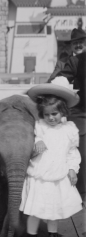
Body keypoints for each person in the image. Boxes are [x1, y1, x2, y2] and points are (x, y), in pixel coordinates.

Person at [19, 79, 83, 237]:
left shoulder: (69, 130)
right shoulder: (39, 127)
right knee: (36, 210)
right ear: (42, 114)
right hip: (40, 176)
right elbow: (30, 140)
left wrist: (72, 169)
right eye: (47, 115)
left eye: (54, 114)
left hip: (58, 177)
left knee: (53, 211)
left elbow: (72, 153)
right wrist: (37, 141)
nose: (51, 118)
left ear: (63, 111)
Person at [57, 52, 86, 193]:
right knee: (82, 149)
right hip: (82, 112)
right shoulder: (76, 61)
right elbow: (59, 80)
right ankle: (82, 193)